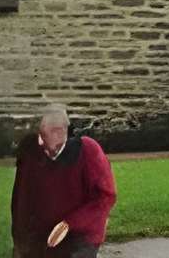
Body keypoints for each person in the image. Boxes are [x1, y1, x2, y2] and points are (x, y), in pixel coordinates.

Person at [8, 100, 117, 254]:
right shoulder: (30, 151)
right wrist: (19, 239)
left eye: (57, 130)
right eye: (42, 133)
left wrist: (69, 223)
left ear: (64, 130)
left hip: (80, 237)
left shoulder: (88, 151)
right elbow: (21, 199)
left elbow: (105, 197)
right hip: (41, 236)